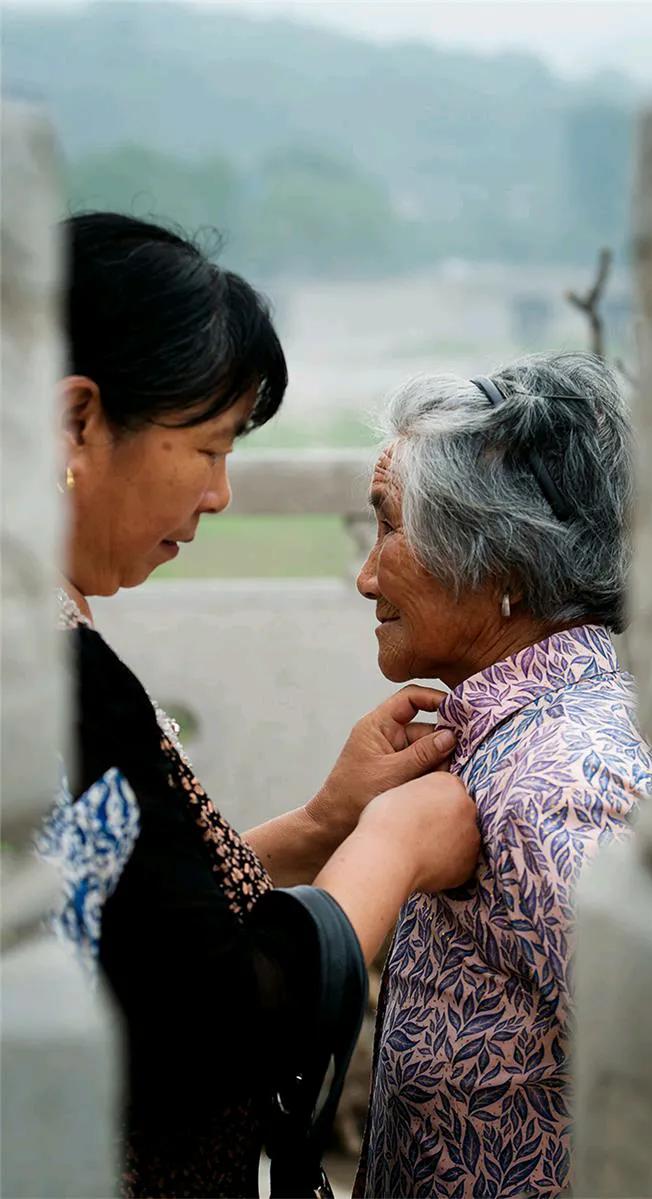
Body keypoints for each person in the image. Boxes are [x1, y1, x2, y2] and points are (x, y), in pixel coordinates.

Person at [38, 213, 480, 1199]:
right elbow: (213, 1017)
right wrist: (387, 852)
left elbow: (130, 920)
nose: (221, 494)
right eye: (207, 445)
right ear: (78, 421)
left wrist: (325, 823)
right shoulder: (46, 674)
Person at [354, 354, 652, 1198]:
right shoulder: (516, 737)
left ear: (501, 564)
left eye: (389, 527)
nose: (366, 575)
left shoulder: (554, 781)